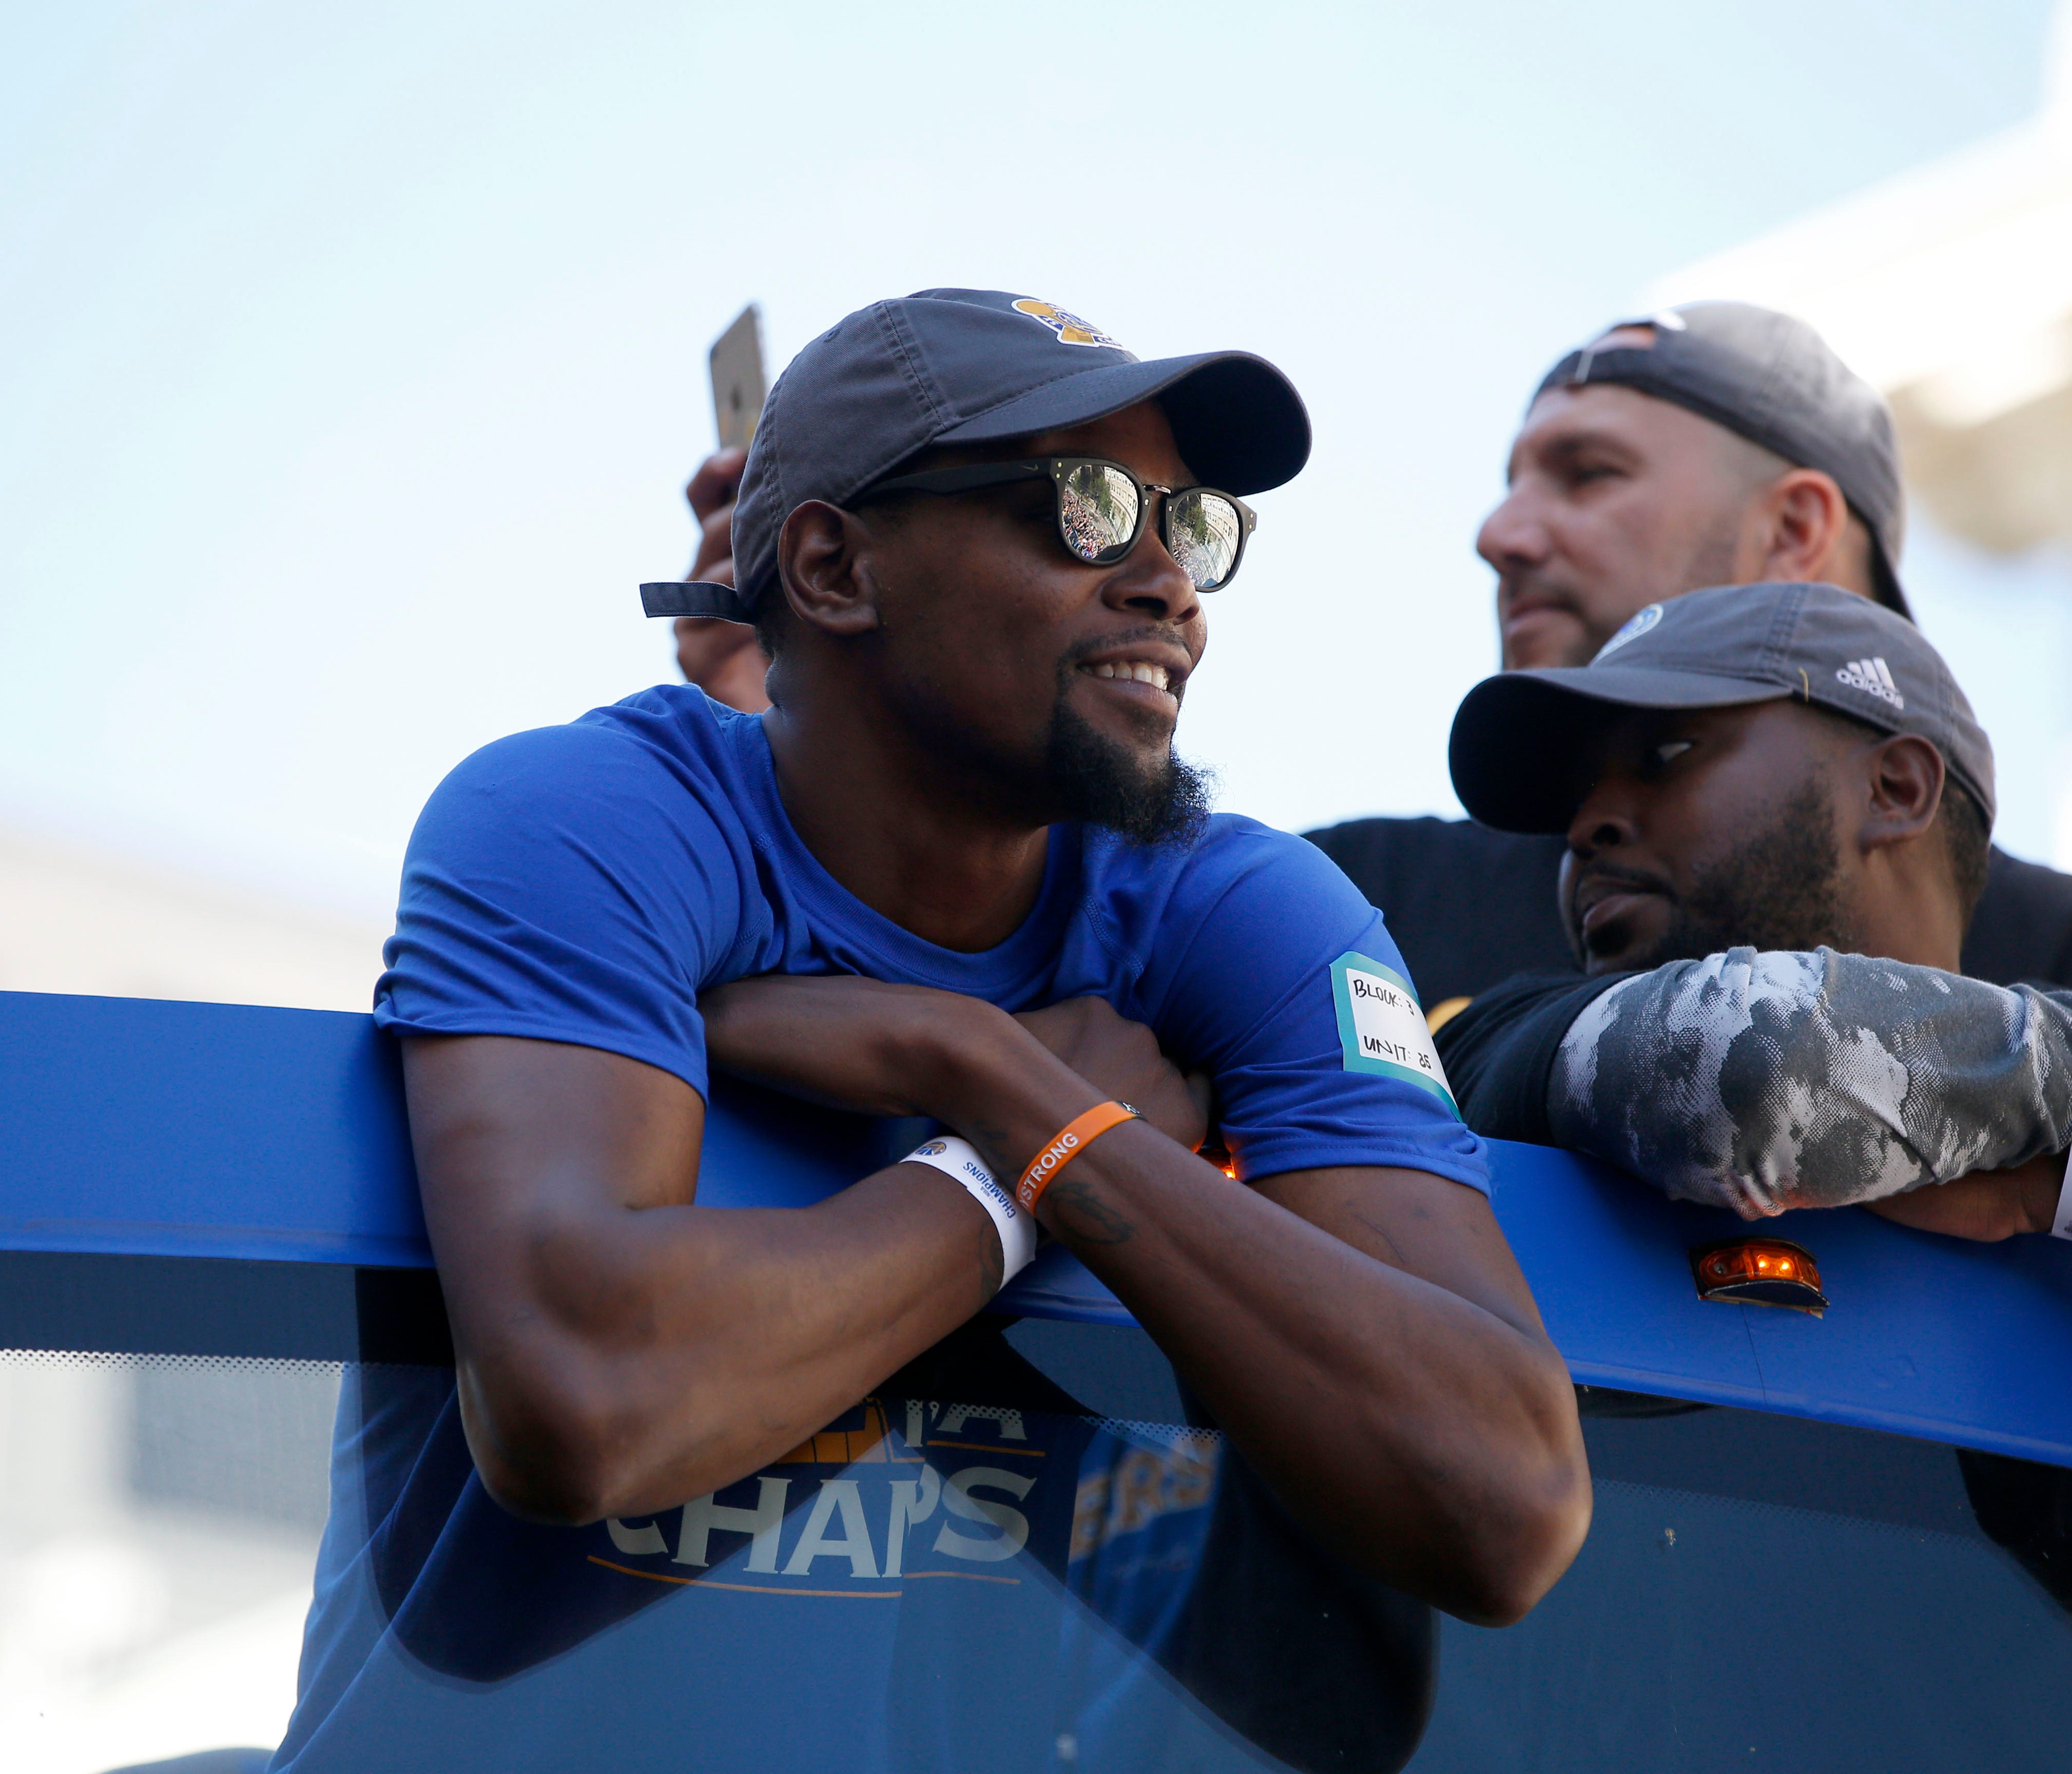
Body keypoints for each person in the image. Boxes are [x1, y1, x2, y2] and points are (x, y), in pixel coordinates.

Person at [273, 288, 1588, 1771]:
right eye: (1087, 510)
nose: (1167, 583)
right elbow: (583, 1405)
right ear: (834, 566)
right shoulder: (587, 821)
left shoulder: (1245, 914)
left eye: (1189, 524)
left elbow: (1503, 1501)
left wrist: (1010, 1098)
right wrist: (995, 1181)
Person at [1305, 302, 2072, 1011]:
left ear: (1794, 530)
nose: (1498, 535)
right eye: (1513, 483)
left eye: (1588, 473)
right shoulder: (1347, 902)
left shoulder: (2054, 950)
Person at [1433, 579, 2071, 1243]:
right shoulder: (1492, 1043)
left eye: (1663, 756)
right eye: (1575, 798)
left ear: (1893, 789)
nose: (1583, 827)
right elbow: (1759, 1055)